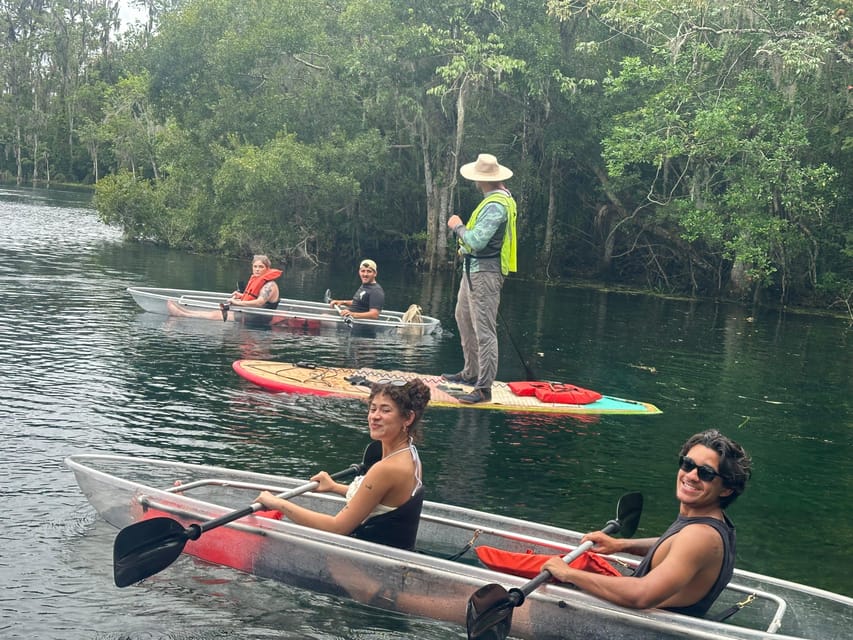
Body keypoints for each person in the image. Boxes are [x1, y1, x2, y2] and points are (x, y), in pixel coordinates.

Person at [542, 429, 752, 618]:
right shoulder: (711, 523)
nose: (691, 476)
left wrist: (568, 573)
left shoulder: (700, 536)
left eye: (705, 473)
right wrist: (621, 545)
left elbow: (641, 595)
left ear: (726, 489)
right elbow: (674, 545)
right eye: (687, 464)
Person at [255, 379, 431, 550]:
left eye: (385, 410)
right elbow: (379, 499)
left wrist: (277, 503)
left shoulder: (386, 468)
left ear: (407, 418)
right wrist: (334, 487)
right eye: (373, 408)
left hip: (361, 567)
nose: (375, 417)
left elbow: (337, 528)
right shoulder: (410, 454)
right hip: (385, 557)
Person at [442, 153, 518, 404]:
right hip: (473, 270)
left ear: (481, 180)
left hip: (486, 273)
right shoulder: (495, 199)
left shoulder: (496, 205)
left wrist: (457, 226)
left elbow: (476, 240)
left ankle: (484, 388)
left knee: (484, 330)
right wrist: (464, 249)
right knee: (462, 317)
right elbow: (476, 244)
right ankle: (470, 372)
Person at [165, 254, 281, 322]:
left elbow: (259, 302)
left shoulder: (270, 285)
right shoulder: (260, 281)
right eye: (255, 266)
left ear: (267, 268)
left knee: (216, 314)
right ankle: (186, 311)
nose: (257, 269)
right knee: (216, 312)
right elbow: (255, 297)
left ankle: (184, 315)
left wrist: (236, 302)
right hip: (251, 313)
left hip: (259, 317)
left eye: (261, 267)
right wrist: (241, 296)